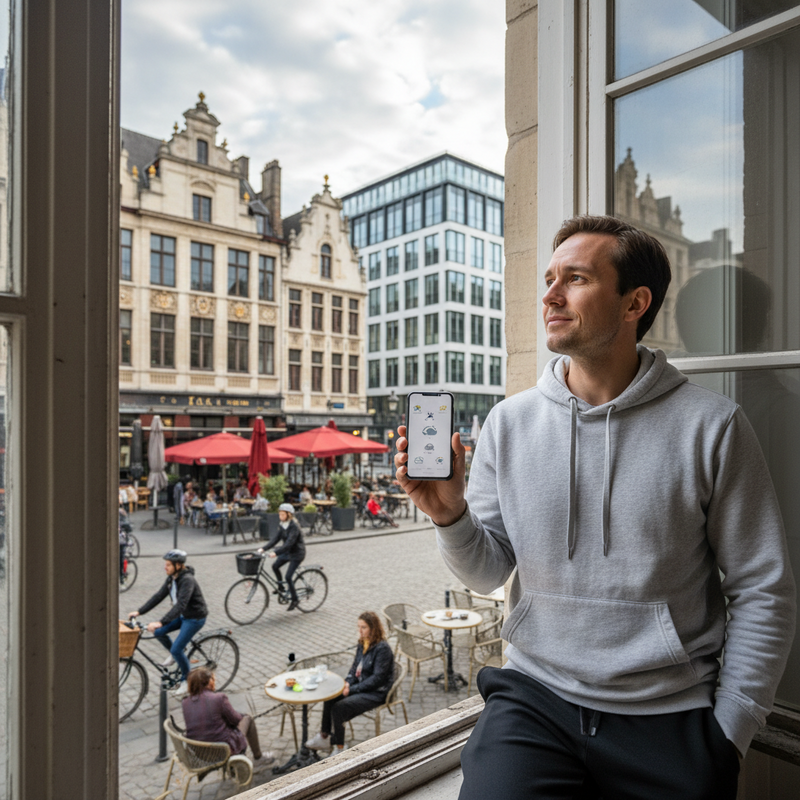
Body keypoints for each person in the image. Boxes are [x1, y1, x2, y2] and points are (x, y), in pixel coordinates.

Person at [394, 215, 796, 799]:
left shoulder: (712, 426)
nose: (551, 296)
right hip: (535, 700)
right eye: (550, 279)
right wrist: (448, 513)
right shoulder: (509, 423)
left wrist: (730, 730)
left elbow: (764, 588)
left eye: (576, 278)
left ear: (635, 302)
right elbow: (487, 571)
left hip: (669, 715)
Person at [305, 611, 394, 755]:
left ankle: (339, 747)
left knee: (339, 708)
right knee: (331, 697)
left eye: (363, 627)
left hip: (377, 692)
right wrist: (347, 683)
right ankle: (324, 736)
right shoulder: (362, 643)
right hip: (361, 686)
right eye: (359, 627)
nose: (360, 631)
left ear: (373, 628)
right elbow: (354, 668)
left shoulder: (382, 649)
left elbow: (378, 679)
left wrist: (352, 689)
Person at [128, 549, 208, 696]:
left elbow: (181, 605)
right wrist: (139, 611)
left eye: (168, 564)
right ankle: (178, 652)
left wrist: (161, 621)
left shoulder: (187, 580)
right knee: (158, 632)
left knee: (176, 649)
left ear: (178, 565)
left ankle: (186, 680)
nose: (165, 567)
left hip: (195, 618)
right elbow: (158, 596)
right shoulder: (172, 578)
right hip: (184, 616)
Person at [181, 667, 273, 766]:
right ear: (210, 682)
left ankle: (236, 765)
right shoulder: (218, 698)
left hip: (200, 753)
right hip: (222, 751)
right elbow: (236, 719)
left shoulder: (185, 702)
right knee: (247, 719)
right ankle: (258, 757)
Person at [257, 503, 305, 611]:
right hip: (287, 552)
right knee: (275, 566)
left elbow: (289, 543)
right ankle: (281, 587)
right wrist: (263, 548)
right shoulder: (282, 524)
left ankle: (295, 599)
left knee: (288, 577)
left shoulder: (294, 527)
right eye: (280, 514)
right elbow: (275, 539)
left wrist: (276, 553)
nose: (281, 516)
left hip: (297, 553)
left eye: (283, 514)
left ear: (289, 515)